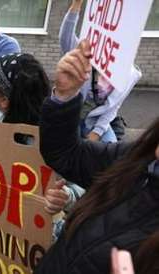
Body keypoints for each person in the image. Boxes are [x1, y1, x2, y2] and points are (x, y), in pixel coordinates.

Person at [35, 39, 159, 274]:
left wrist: (95, 132)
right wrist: (65, 97)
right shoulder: (134, 160)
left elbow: (109, 113)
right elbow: (65, 155)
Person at [59, 0, 141, 143]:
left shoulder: (130, 74)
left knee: (111, 154)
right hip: (69, 114)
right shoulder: (87, 54)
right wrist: (76, 5)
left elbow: (112, 108)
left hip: (94, 123)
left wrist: (95, 134)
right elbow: (65, 38)